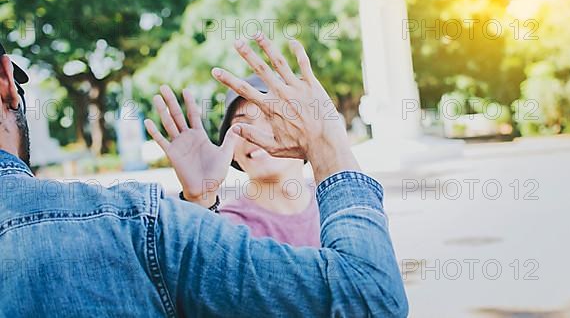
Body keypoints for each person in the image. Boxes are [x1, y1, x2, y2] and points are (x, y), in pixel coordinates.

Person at [0, 37, 409, 317]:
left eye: (268, 119)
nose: (256, 134)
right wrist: (329, 146)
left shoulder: (326, 212)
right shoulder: (143, 224)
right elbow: (368, 298)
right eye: (242, 122)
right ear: (7, 82)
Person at [149, 72, 320, 247]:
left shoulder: (337, 206)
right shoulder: (227, 225)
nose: (255, 133)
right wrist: (200, 200)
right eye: (241, 125)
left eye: (271, 117)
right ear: (231, 153)